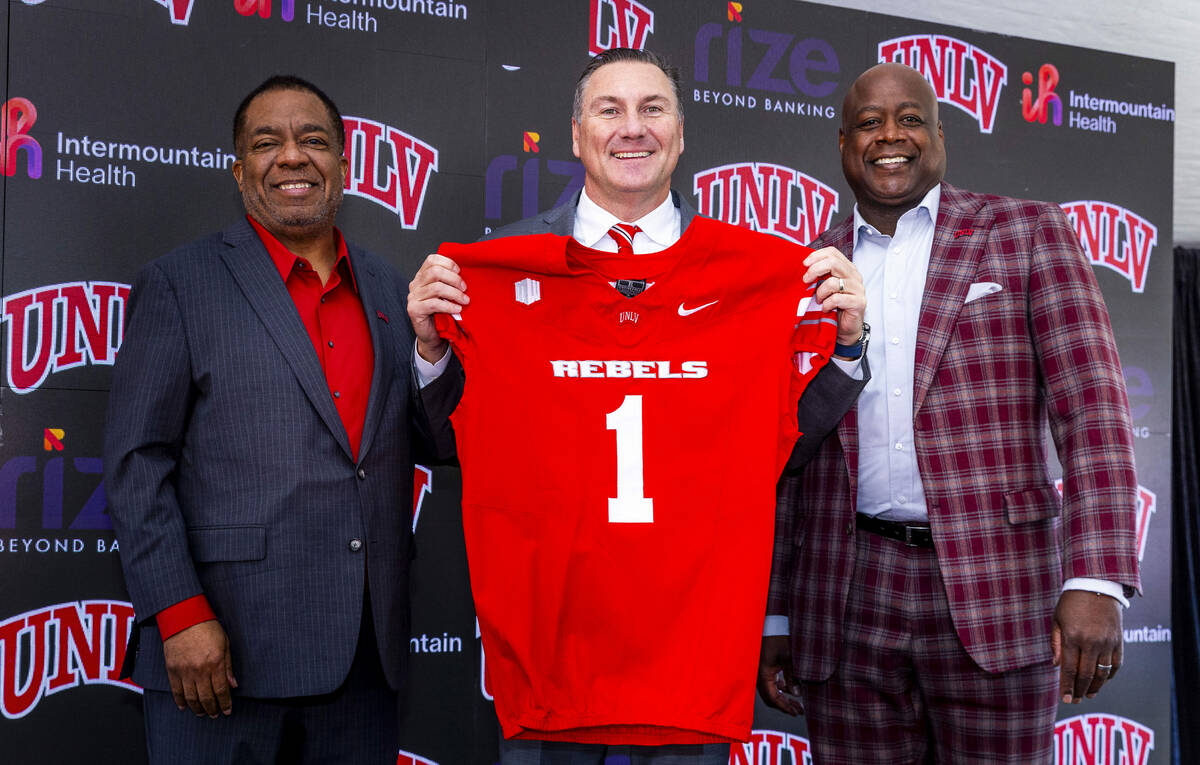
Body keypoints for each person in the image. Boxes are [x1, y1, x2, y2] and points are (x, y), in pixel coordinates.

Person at [407, 48, 868, 765]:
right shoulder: (497, 269)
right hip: (550, 665)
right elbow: (445, 440)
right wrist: (433, 349)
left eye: (652, 109)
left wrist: (843, 344)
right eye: (609, 109)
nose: (633, 128)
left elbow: (787, 440)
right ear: (575, 132)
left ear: (681, 134)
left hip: (691, 663)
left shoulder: (762, 278)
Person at [757, 62, 1140, 764]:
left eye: (909, 119)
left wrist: (1096, 577)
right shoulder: (804, 270)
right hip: (844, 597)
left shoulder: (1026, 232)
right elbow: (785, 455)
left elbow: (1093, 410)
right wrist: (776, 608)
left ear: (940, 136)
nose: (889, 136)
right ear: (843, 143)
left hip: (998, 590)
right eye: (869, 123)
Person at [104, 75, 456, 764]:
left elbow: (436, 440)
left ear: (345, 167)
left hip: (364, 656)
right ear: (239, 174)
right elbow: (135, 461)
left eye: (314, 140)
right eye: (267, 143)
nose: (292, 157)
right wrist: (178, 612)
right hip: (223, 657)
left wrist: (431, 352)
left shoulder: (391, 286)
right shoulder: (182, 283)